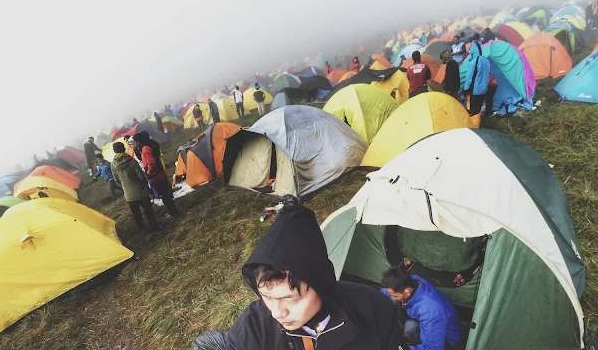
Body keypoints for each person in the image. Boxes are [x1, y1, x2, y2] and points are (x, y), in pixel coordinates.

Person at [216, 200, 408, 350]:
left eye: (289, 299)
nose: (277, 313)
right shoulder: (250, 332)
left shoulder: (373, 308)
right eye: (266, 297)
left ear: (320, 285)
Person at [381, 268, 464, 350]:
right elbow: (385, 293)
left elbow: (432, 348)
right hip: (431, 321)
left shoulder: (429, 311)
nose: (393, 297)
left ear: (407, 291)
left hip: (447, 342)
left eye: (395, 295)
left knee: (410, 327)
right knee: (391, 301)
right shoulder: (413, 280)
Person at [110, 141, 162, 231]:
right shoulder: (131, 160)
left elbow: (116, 180)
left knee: (136, 213)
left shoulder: (113, 164)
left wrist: (124, 187)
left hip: (128, 194)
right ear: (124, 149)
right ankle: (154, 227)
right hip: (141, 191)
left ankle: (141, 228)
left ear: (114, 151)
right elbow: (141, 176)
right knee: (148, 210)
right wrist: (145, 184)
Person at [132, 132, 180, 219]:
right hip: (160, 172)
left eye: (135, 142)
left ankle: (172, 213)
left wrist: (149, 174)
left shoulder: (145, 149)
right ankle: (173, 211)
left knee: (164, 195)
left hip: (155, 176)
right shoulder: (151, 145)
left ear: (139, 142)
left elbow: (151, 163)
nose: (134, 144)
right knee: (166, 194)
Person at [462, 41, 491, 116]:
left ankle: (473, 125)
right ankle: (480, 123)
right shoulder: (486, 60)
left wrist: (465, 90)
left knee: (473, 112)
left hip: (475, 90)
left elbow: (469, 78)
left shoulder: (473, 62)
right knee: (479, 109)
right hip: (484, 89)